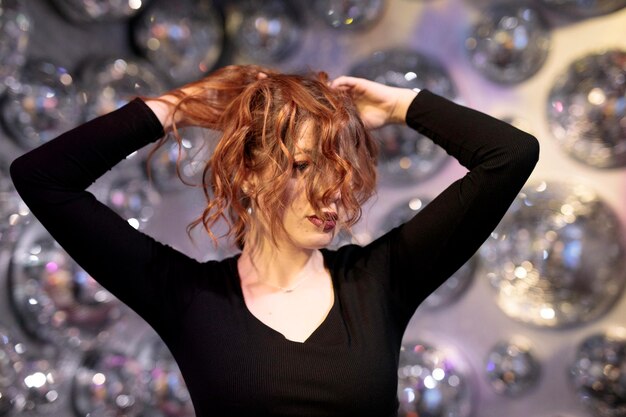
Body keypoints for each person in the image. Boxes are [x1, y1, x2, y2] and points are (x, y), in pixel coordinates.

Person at [10, 64, 539, 417]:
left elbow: (509, 155)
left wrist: (402, 105)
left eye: (342, 170)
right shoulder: (188, 296)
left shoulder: (379, 281)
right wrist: (177, 105)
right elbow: (42, 177)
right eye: (304, 166)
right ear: (245, 173)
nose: (333, 192)